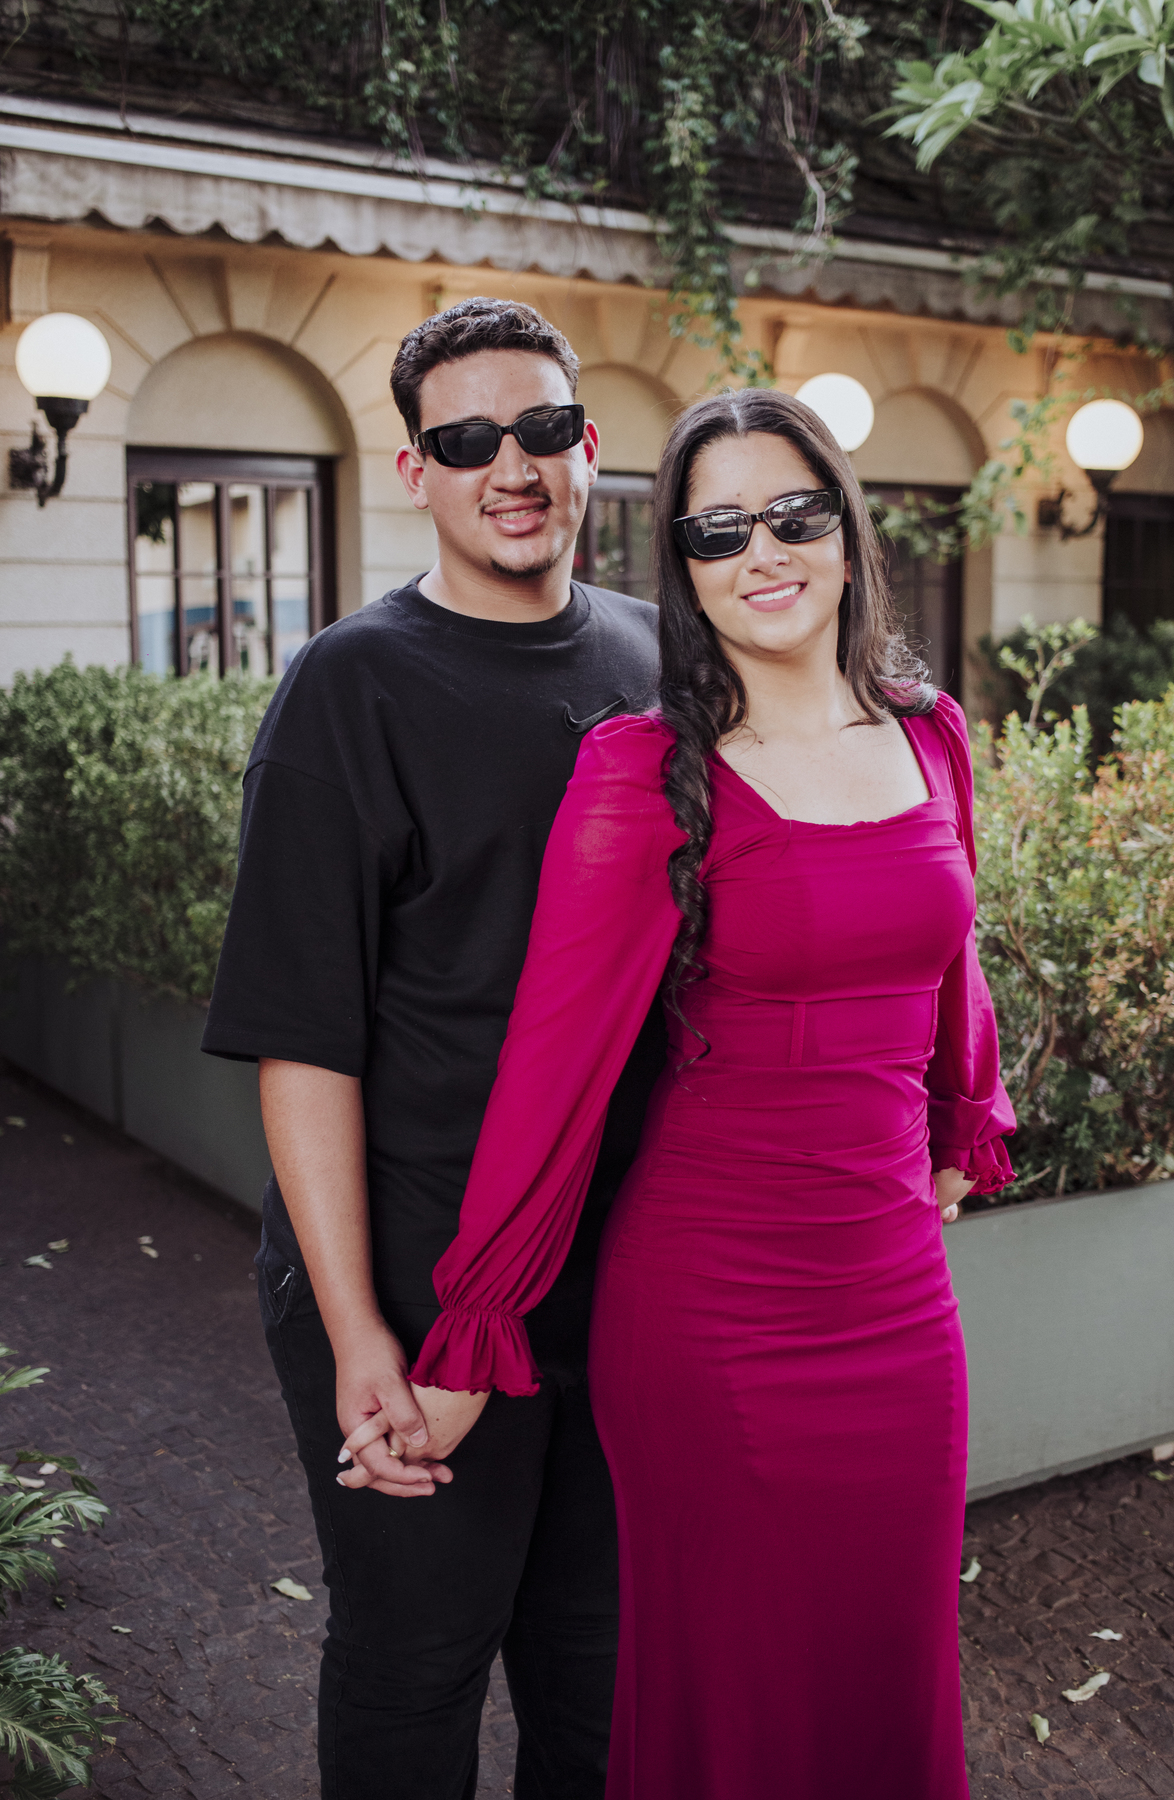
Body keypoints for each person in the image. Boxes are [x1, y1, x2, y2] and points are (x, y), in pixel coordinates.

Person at [349, 386, 1017, 1799]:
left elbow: (950, 956)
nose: (761, 552)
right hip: (716, 1317)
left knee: (887, 1668)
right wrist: (471, 1338)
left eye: (792, 513)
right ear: (685, 571)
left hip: (897, 1300)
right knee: (737, 1695)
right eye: (718, 531)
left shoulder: (932, 732)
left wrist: (965, 1116)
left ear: (847, 530)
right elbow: (554, 1072)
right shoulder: (646, 771)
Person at [201, 297, 665, 1800]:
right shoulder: (352, 687)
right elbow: (303, 1044)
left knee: (603, 1683)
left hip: (622, 1278)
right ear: (416, 471)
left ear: (589, 447)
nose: (509, 467)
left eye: (541, 429)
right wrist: (358, 1336)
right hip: (412, 1274)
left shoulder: (667, 660)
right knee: (417, 1670)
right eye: (465, 440)